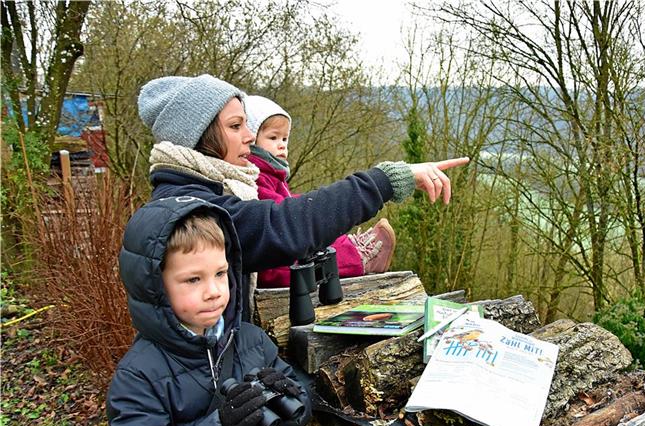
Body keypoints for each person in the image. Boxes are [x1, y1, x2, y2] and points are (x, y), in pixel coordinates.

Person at [138, 74, 468, 320]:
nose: (250, 136)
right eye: (236, 126)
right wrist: (385, 181)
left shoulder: (193, 193)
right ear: (201, 136)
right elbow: (285, 226)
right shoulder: (196, 212)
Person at [107, 196, 311, 426]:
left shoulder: (251, 340)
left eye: (220, 274)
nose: (214, 290)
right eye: (193, 279)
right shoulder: (141, 374)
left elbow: (297, 411)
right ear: (155, 287)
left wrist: (291, 399)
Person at [243, 94, 395, 287]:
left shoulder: (272, 174)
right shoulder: (257, 177)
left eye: (285, 139)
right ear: (251, 139)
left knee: (320, 228)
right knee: (313, 251)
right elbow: (283, 219)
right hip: (274, 267)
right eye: (273, 138)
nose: (281, 144)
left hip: (279, 250)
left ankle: (350, 245)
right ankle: (358, 258)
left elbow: (288, 204)